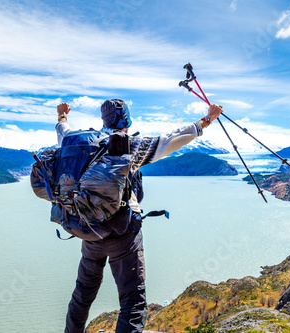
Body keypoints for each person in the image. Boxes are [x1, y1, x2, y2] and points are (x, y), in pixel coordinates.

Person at [56, 99, 223, 333]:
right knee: (132, 302)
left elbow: (63, 133)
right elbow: (171, 139)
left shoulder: (80, 143)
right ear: (126, 119)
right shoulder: (129, 145)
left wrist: (62, 116)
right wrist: (206, 120)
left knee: (83, 294)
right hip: (123, 234)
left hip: (89, 231)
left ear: (104, 120)